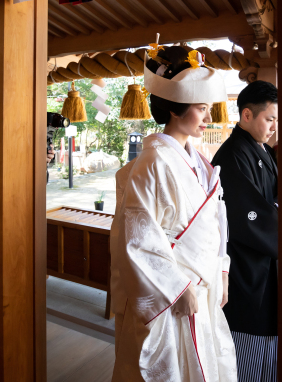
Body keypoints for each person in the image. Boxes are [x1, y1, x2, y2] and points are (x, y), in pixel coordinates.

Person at [110, 45, 236, 381]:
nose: (209, 118)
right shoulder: (153, 161)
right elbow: (139, 236)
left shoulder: (197, 160)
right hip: (175, 290)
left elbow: (215, 219)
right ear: (177, 110)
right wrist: (176, 288)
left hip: (204, 282)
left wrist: (222, 268)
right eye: (202, 108)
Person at [211, 81, 278, 382]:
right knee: (245, 357)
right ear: (247, 115)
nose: (274, 126)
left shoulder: (261, 149)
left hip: (263, 264)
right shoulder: (232, 155)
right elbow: (247, 217)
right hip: (244, 268)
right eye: (270, 119)